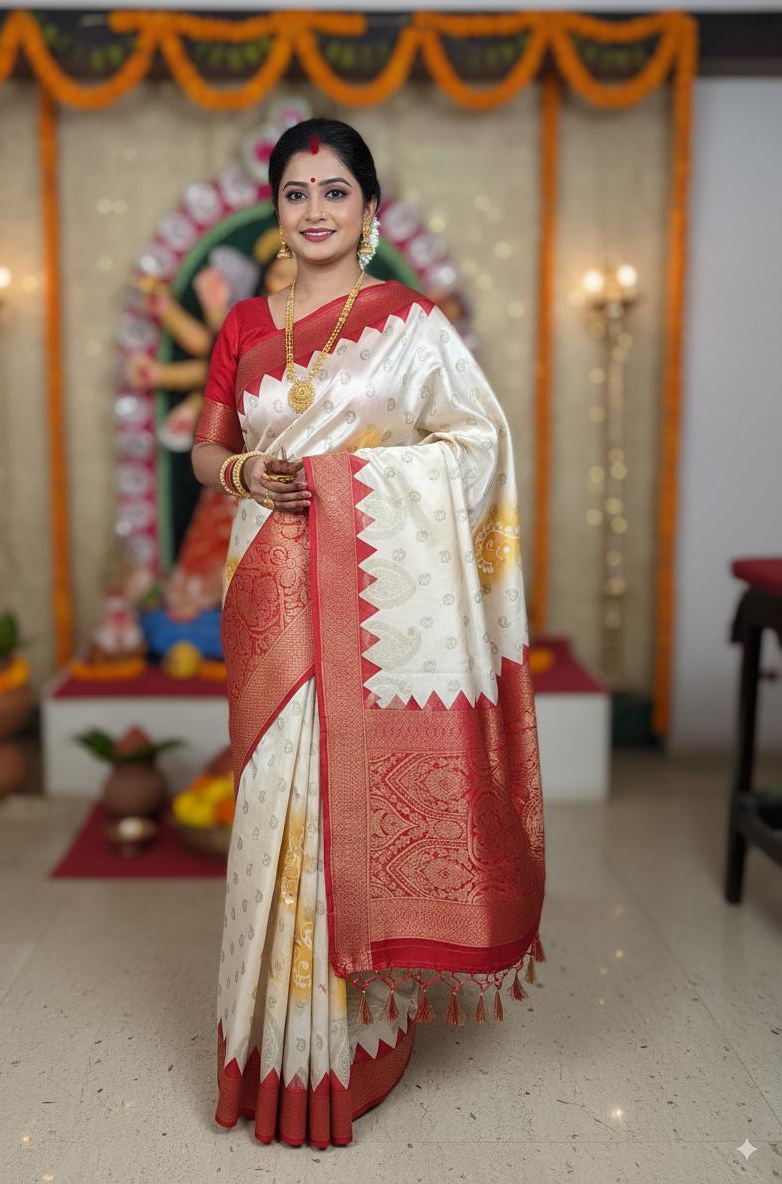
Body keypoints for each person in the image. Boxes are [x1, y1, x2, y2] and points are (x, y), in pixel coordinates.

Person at [191, 117, 547, 1149]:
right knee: (274, 801)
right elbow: (208, 448)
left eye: (333, 190)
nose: (313, 209)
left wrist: (353, 483)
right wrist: (246, 473)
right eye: (295, 191)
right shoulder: (243, 324)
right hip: (269, 592)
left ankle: (352, 1045)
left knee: (348, 802)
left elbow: (475, 444)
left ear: (368, 210)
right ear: (276, 207)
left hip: (374, 607)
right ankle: (269, 1043)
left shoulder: (413, 324)